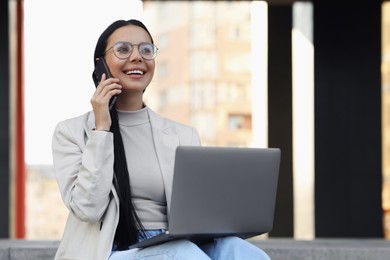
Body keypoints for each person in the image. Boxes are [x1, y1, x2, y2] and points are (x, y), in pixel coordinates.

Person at [52, 19, 271, 260]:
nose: (137, 57)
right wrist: (102, 130)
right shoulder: (71, 133)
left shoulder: (183, 134)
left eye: (146, 50)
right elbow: (87, 208)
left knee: (241, 252)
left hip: (171, 241)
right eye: (123, 49)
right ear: (100, 65)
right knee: (184, 254)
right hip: (110, 251)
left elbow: (196, 213)